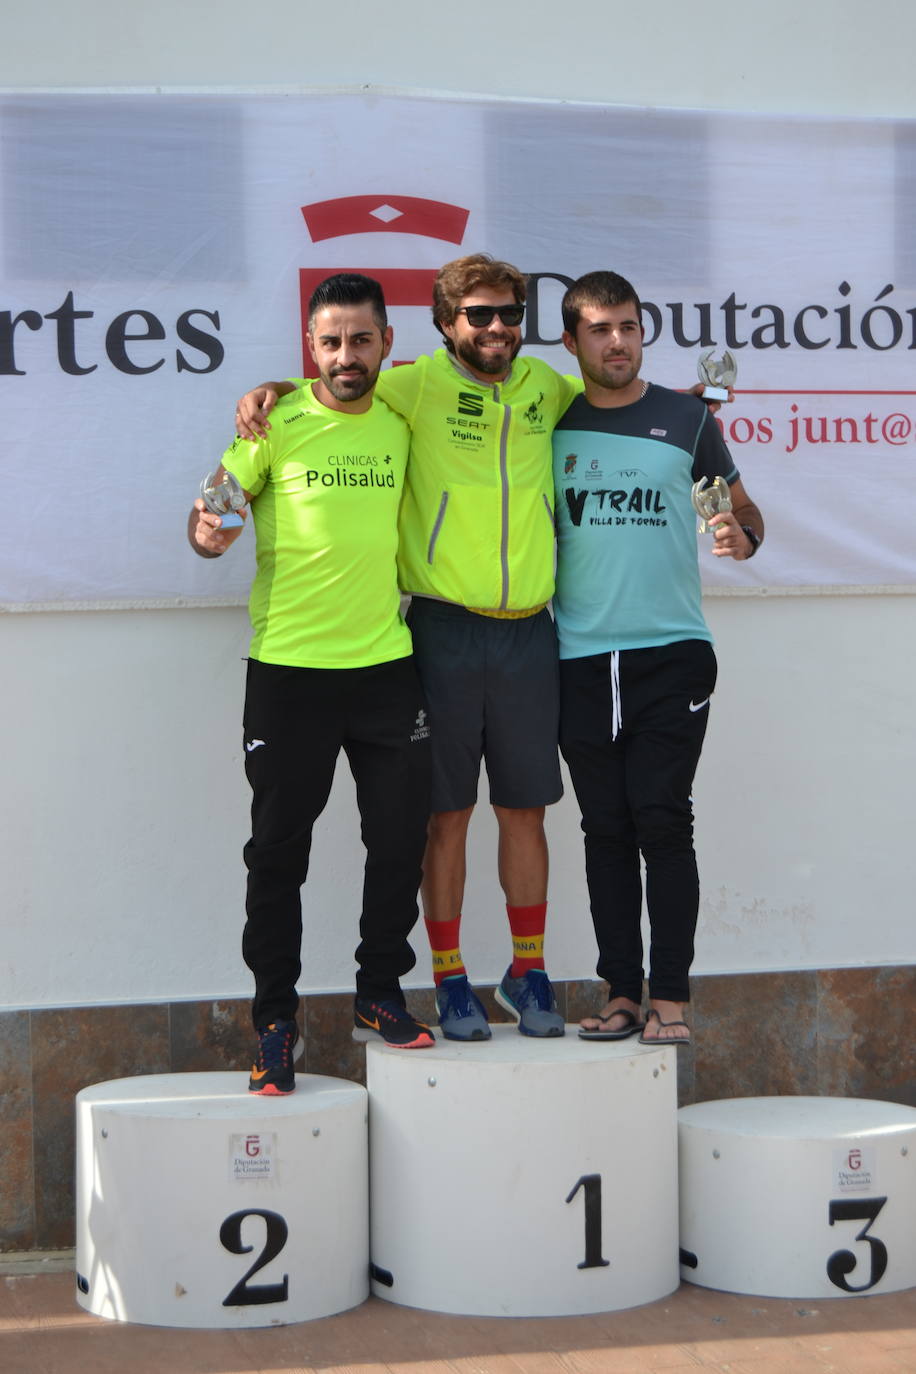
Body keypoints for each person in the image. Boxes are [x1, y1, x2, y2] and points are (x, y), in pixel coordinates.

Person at [236, 255, 578, 1042]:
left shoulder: (545, 389)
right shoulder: (410, 384)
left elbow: (612, 403)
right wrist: (267, 394)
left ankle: (527, 971)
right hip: (438, 628)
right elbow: (330, 392)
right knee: (442, 816)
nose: (495, 329)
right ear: (443, 326)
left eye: (508, 314)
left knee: (526, 809)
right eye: (478, 316)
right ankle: (448, 979)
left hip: (531, 627)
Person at [188, 273, 434, 1095]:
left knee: (401, 838)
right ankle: (275, 1025)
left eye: (360, 340)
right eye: (329, 342)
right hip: (290, 673)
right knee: (278, 855)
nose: (345, 356)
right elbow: (210, 522)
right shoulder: (275, 424)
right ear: (310, 347)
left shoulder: (403, 420)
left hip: (385, 668)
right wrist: (210, 526)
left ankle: (377, 992)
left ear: (386, 345)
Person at [553, 270, 764, 1046]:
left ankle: (670, 996)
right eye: (601, 329)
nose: (618, 341)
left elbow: (739, 510)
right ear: (572, 341)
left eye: (630, 327)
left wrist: (743, 536)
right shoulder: (552, 420)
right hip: (576, 657)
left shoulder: (686, 418)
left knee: (663, 821)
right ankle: (621, 994)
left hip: (671, 655)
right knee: (603, 829)